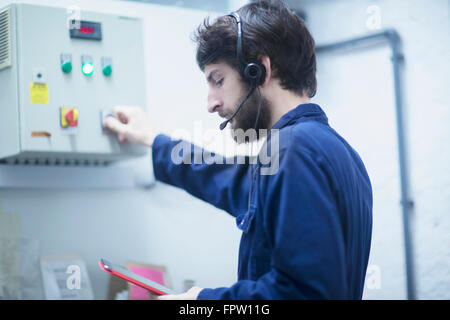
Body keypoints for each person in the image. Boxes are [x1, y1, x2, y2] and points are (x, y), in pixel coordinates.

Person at [103, 0, 373, 300]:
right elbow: (225, 178)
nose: (211, 103)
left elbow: (301, 294)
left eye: (218, 80)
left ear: (260, 70)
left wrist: (199, 302)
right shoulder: (335, 153)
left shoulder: (294, 151)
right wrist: (154, 140)